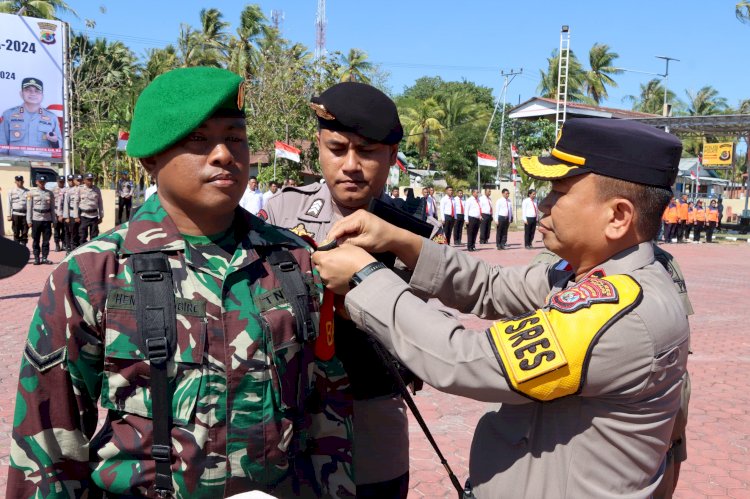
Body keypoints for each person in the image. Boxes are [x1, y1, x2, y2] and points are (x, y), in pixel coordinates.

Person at [7, 66, 352, 498]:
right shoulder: (94, 274)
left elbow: (328, 413)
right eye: (198, 139)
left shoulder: (293, 262)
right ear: (151, 156)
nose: (225, 154)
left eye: (236, 137)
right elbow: (48, 444)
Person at [312, 117, 689, 498]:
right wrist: (401, 241)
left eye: (559, 192)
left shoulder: (616, 312)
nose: (543, 204)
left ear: (618, 216)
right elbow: (494, 286)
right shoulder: (587, 272)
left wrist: (366, 279)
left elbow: (464, 360)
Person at [264, 81, 443, 498]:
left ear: (392, 157)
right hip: (291, 423)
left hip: (372, 422)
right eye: (337, 148)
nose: (350, 165)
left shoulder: (416, 234)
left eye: (367, 151)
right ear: (318, 146)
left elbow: (424, 330)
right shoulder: (280, 213)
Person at [0, 78, 62, 157]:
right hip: (16, 165)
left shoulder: (52, 117)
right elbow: (2, 144)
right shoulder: (8, 115)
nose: (33, 93)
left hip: (43, 165)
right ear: (21, 93)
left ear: (42, 95)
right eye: (28, 90)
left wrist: (55, 141)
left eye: (37, 91)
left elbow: (59, 146)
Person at [26, 174, 55, 265]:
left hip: (47, 219)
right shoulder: (31, 193)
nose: (42, 183)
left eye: (43, 182)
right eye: (40, 182)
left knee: (46, 240)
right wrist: (29, 220)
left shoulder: (50, 193)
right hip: (36, 219)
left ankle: (45, 258)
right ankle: (36, 258)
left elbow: (52, 208)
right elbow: (29, 208)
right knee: (36, 240)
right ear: (36, 182)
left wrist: (54, 220)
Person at [74, 172, 104, 245]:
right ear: (84, 180)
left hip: (94, 216)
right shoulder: (80, 189)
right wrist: (76, 216)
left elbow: (100, 203)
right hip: (84, 216)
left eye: (91, 180)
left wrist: (101, 215)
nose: (90, 181)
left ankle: (92, 251)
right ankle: (83, 252)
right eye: (88, 180)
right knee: (82, 236)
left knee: (94, 236)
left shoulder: (96, 189)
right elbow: (76, 202)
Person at [7, 175, 29, 245]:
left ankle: (23, 247)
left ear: (23, 182)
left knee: (25, 232)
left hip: (25, 215)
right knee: (16, 232)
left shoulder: (28, 192)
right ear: (15, 182)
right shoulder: (11, 191)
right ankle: (16, 248)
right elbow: (9, 203)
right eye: (18, 181)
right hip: (15, 214)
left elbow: (30, 204)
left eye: (21, 181)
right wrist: (8, 215)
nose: (20, 182)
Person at [62, 174, 81, 252]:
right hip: (71, 214)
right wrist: (66, 216)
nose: (71, 182)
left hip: (81, 214)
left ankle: (77, 247)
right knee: (70, 232)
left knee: (79, 232)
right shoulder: (68, 191)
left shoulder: (81, 190)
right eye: (69, 180)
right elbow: (65, 204)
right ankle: (69, 248)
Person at [52, 175, 67, 251]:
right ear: (57, 181)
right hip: (55, 213)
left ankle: (64, 244)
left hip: (64, 212)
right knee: (56, 230)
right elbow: (51, 202)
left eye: (63, 182)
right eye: (60, 182)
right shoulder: (53, 190)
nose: (61, 183)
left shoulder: (67, 190)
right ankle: (57, 245)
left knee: (64, 229)